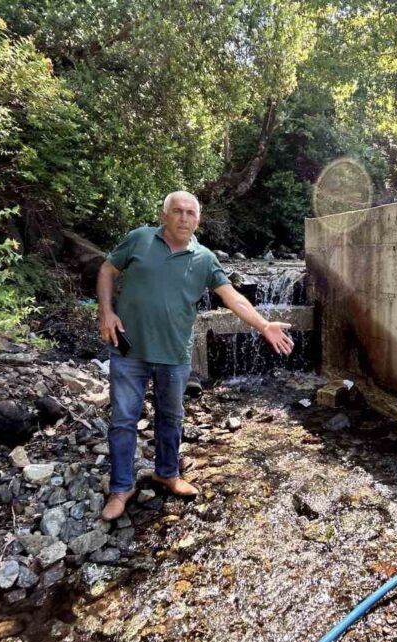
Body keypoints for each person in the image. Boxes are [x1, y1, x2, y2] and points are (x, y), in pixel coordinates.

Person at [96, 191, 294, 521]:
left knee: (171, 418)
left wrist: (264, 325)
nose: (184, 218)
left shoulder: (204, 259)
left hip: (174, 354)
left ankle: (168, 473)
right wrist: (106, 311)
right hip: (128, 349)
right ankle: (121, 488)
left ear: (198, 220)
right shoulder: (139, 240)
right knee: (122, 421)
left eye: (190, 213)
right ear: (165, 215)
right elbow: (106, 270)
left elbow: (233, 298)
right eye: (178, 211)